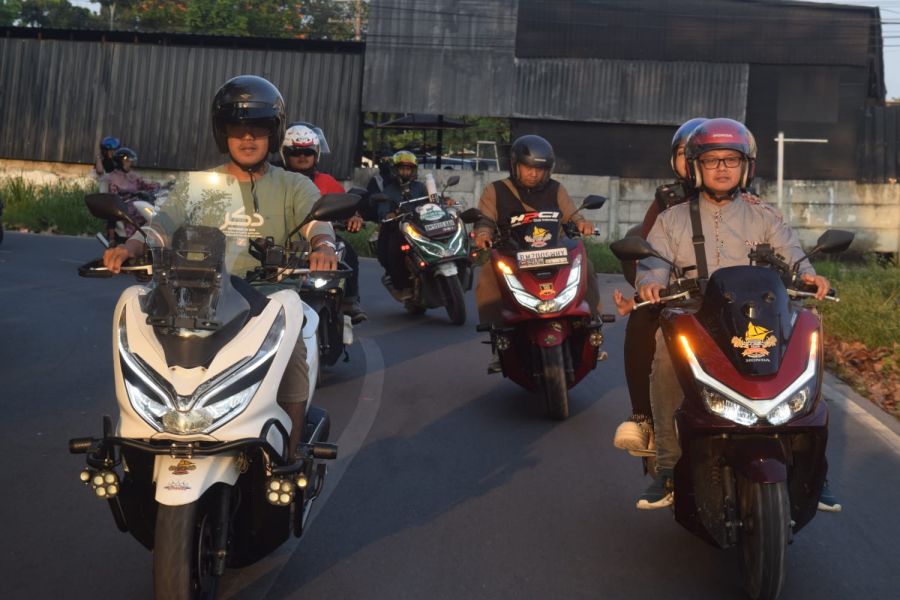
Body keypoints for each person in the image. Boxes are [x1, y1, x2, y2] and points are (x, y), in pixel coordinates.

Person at [103, 75, 338, 461]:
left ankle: (289, 458)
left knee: (293, 359)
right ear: (222, 132)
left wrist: (323, 246)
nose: (247, 138)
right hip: (197, 302)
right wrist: (131, 246)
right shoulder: (199, 186)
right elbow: (162, 225)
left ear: (272, 133)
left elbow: (317, 222)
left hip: (268, 303)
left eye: (257, 129)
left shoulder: (293, 185)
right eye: (236, 128)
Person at [633, 118, 834, 510]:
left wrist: (809, 277)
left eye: (731, 159)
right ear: (695, 167)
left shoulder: (765, 216)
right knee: (665, 353)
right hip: (698, 316)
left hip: (759, 318)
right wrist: (651, 283)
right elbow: (653, 263)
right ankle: (669, 467)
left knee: (808, 346)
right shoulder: (671, 219)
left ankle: (815, 469)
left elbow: (794, 256)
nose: (722, 168)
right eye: (712, 160)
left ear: (746, 167)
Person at [611, 118, 706, 457]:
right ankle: (643, 419)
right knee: (642, 318)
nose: (690, 159)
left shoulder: (748, 203)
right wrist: (647, 288)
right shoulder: (667, 201)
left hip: (731, 297)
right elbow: (648, 251)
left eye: (701, 152)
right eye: (683, 152)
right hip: (678, 295)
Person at [472, 135, 603, 370]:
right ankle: (500, 342)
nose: (533, 174)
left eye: (539, 169)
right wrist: (483, 233)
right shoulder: (496, 190)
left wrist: (582, 223)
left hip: (554, 254)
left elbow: (572, 215)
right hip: (512, 256)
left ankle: (592, 330)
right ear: (515, 165)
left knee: (588, 268)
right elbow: (485, 218)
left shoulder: (556, 189)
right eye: (528, 167)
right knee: (487, 277)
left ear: (547, 170)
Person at [281, 123, 367, 323]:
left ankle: (349, 301)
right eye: (296, 152)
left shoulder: (326, 181)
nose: (303, 157)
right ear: (285, 154)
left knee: (347, 251)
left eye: (308, 152)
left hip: (322, 240)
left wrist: (353, 216)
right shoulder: (277, 179)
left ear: (316, 154)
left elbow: (345, 204)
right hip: (285, 239)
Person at [372, 150, 428, 299]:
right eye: (402, 168)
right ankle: (401, 285)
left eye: (408, 169)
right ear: (395, 170)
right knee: (393, 248)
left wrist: (444, 201)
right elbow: (383, 211)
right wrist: (390, 214)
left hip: (420, 226)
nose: (405, 172)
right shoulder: (389, 190)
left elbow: (431, 202)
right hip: (399, 229)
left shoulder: (420, 187)